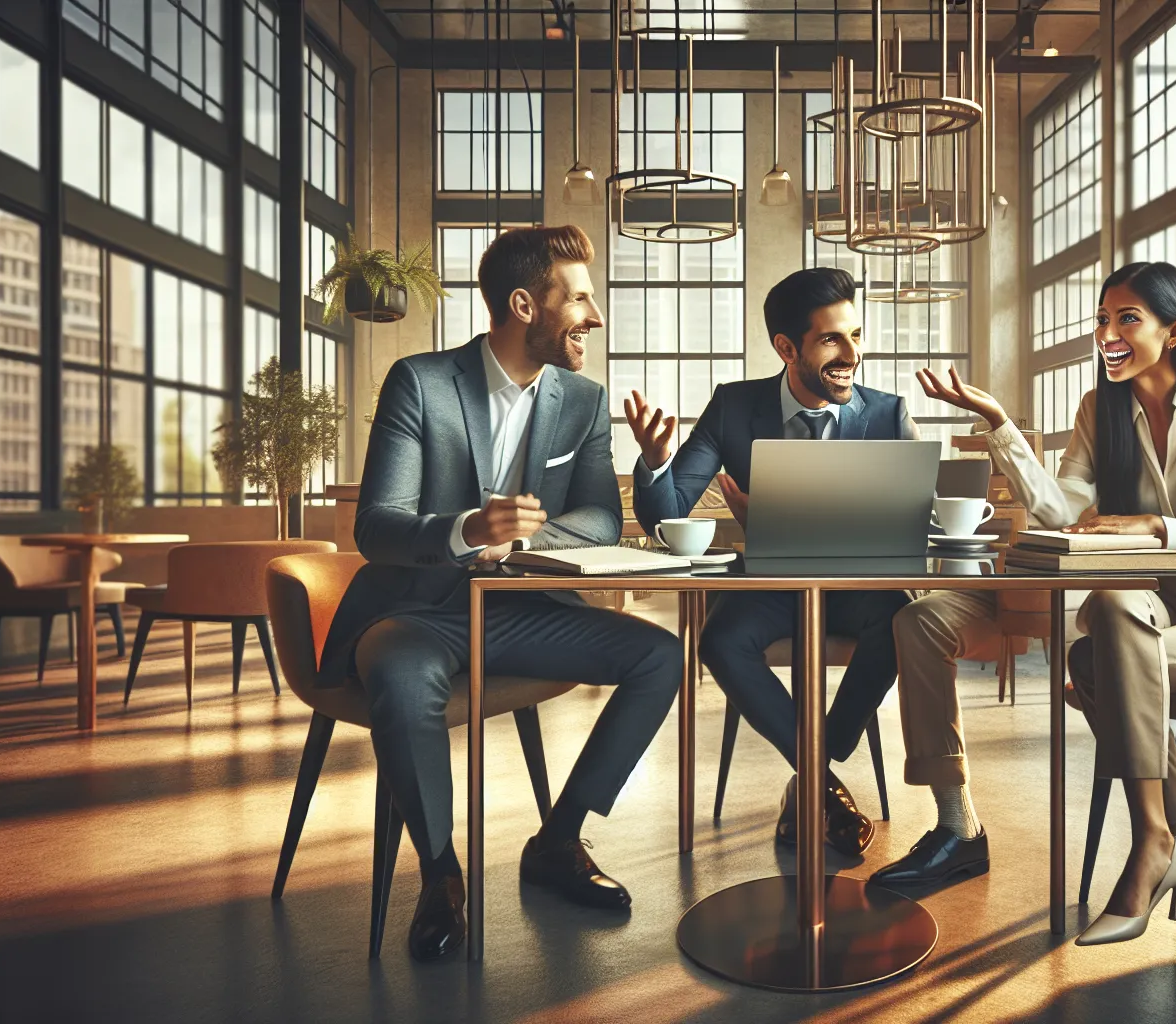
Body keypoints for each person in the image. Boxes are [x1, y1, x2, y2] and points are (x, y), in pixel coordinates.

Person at [884, 261, 1176, 989]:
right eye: (1101, 319)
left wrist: (1156, 525)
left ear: (1175, 331)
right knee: (1107, 624)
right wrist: (1003, 428)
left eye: (1126, 319)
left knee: (1107, 661)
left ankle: (1163, 851)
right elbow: (1062, 512)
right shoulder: (1097, 410)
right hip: (1147, 609)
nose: (1106, 333)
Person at [321, 225, 684, 962]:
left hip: (522, 614)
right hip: (421, 611)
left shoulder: (583, 400)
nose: (595, 315)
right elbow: (379, 526)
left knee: (661, 658)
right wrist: (464, 527)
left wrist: (516, 540)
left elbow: (600, 518)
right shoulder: (419, 383)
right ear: (524, 304)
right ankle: (441, 875)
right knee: (396, 669)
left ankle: (558, 838)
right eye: (579, 297)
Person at [625, 266, 916, 857]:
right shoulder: (734, 408)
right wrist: (655, 462)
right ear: (787, 347)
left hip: (858, 589)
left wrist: (794, 516)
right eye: (832, 339)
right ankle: (823, 782)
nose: (851, 354)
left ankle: (810, 770)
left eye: (856, 336)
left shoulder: (888, 414)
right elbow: (667, 512)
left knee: (900, 624)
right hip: (770, 587)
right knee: (718, 641)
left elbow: (914, 528)